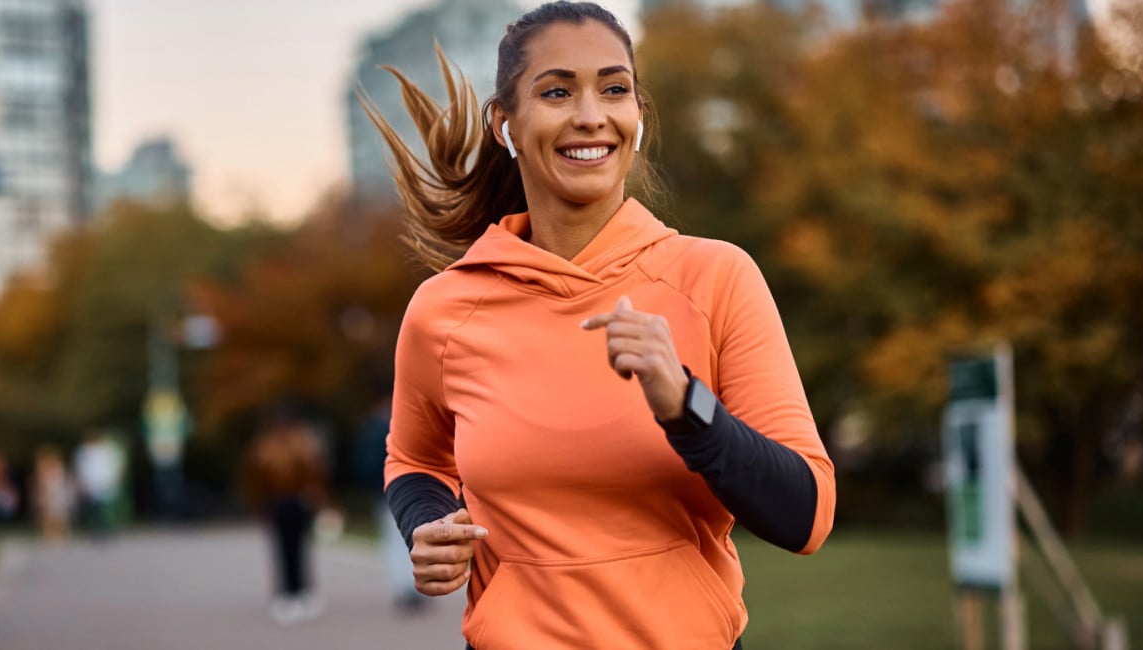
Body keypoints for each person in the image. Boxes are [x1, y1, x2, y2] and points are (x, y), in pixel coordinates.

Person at [363, 3, 837, 648]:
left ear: (636, 115)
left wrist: (686, 408)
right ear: (507, 122)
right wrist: (428, 523)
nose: (591, 114)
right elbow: (414, 457)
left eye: (614, 89)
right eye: (557, 91)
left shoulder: (716, 277)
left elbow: (805, 516)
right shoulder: (444, 309)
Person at [242, 408, 335, 625]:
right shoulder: (295, 446)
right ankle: (295, 591)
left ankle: (293, 592)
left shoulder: (268, 449)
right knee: (293, 549)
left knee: (289, 549)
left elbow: (256, 481)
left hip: (284, 503)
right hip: (289, 503)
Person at [351, 392, 424, 613]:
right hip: (396, 490)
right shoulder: (387, 429)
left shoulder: (372, 429)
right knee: (402, 540)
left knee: (397, 541)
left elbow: (362, 465)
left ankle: (405, 586)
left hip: (388, 491)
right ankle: (407, 586)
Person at [73, 431, 124, 541]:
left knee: (105, 508)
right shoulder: (83, 452)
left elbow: (114, 465)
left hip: (105, 482)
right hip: (91, 484)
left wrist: (115, 478)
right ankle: (98, 529)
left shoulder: (105, 450)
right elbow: (81, 469)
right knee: (95, 509)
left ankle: (108, 528)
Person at [31, 445, 74, 543]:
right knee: (48, 514)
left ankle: (59, 534)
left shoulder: (56, 466)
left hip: (56, 492)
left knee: (58, 514)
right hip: (50, 492)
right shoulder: (43, 467)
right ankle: (50, 535)